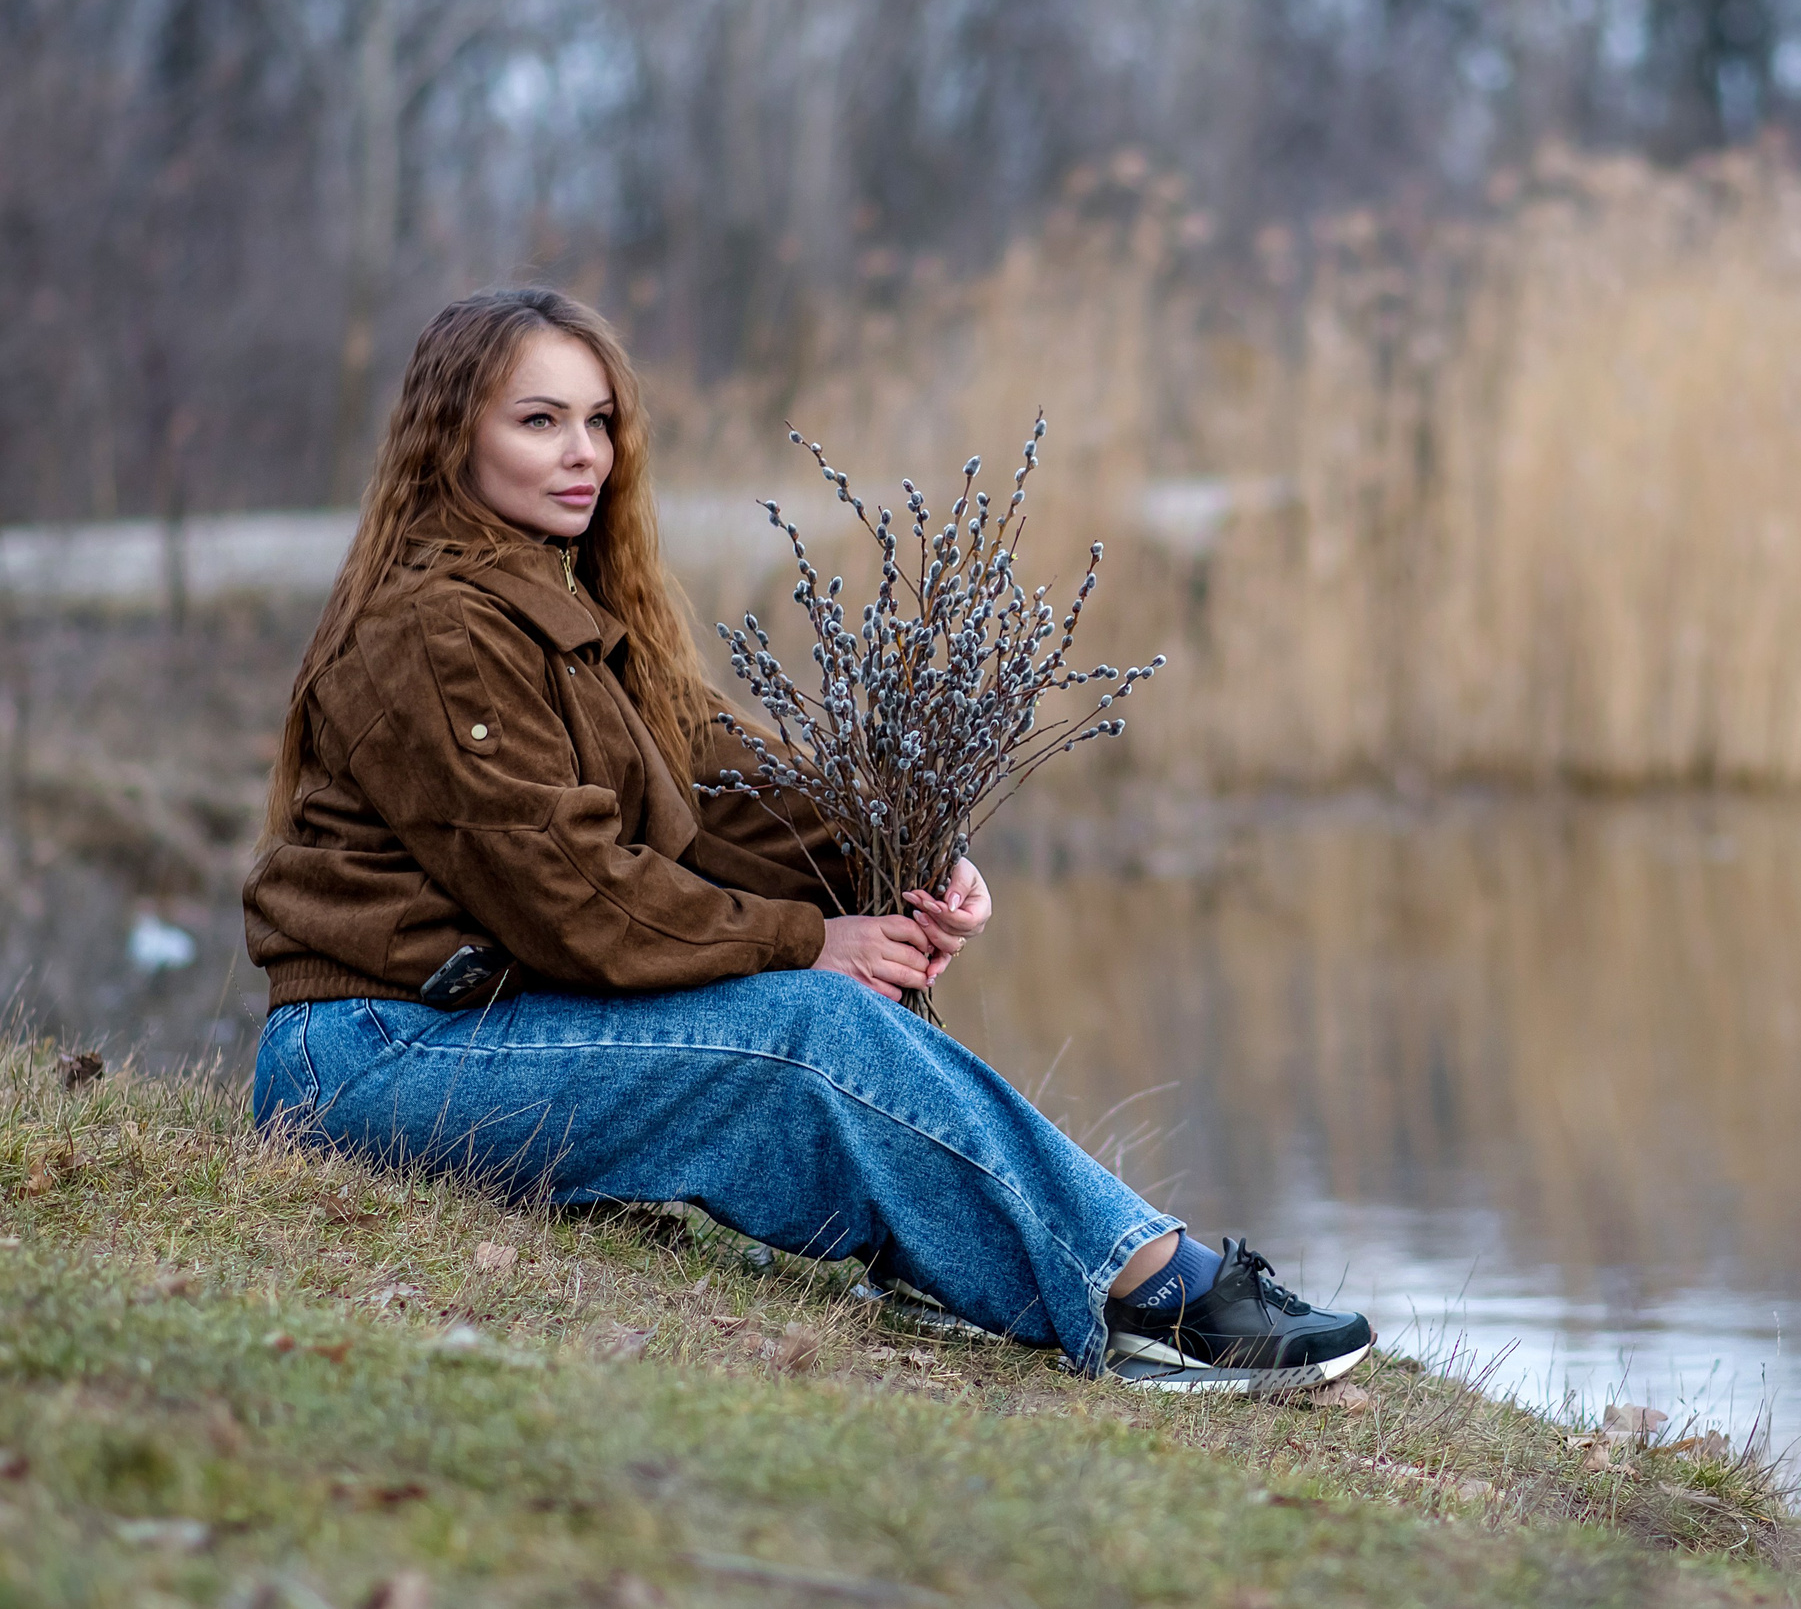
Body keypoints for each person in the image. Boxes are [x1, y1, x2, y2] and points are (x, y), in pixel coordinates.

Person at [244, 286, 1370, 1394]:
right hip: (373, 1057)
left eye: (599, 421)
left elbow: (731, 795)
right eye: (538, 421)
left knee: (816, 1020)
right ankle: (1152, 1292)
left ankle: (1000, 1268)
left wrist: (906, 859)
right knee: (801, 1026)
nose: (583, 451)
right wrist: (806, 941)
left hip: (478, 1031)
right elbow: (567, 895)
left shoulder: (570, 610)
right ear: (452, 439)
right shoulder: (437, 630)